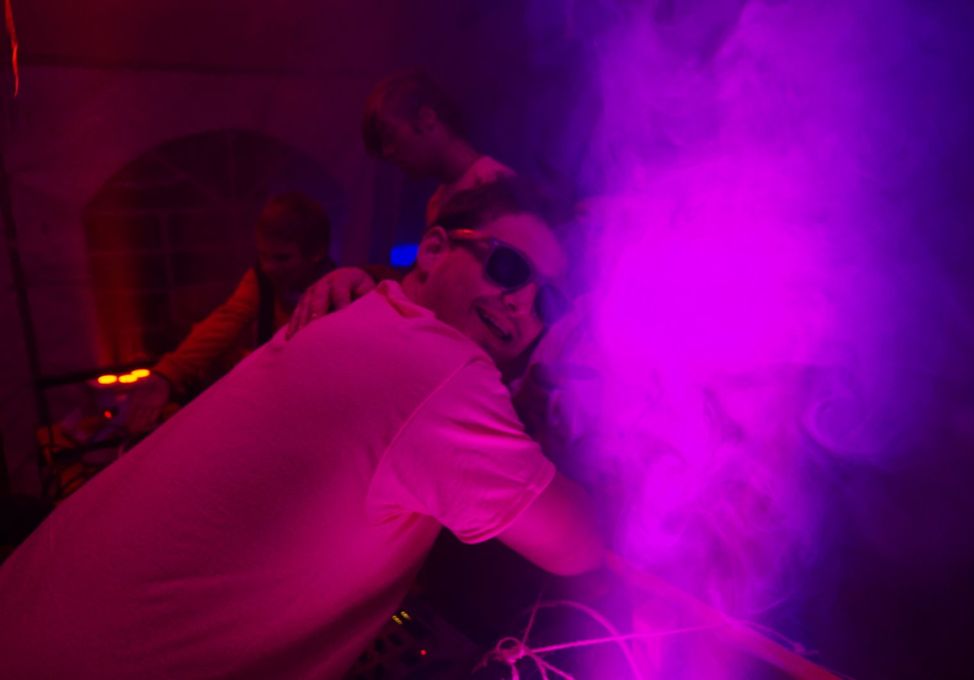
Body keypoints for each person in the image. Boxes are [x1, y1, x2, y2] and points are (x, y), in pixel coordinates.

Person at [0, 178, 604, 679]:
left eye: (547, 301)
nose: (522, 303)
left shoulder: (362, 311)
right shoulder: (444, 373)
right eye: (507, 267)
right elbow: (578, 544)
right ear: (433, 248)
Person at [120, 191, 334, 435]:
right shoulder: (261, 280)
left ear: (317, 253)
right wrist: (167, 374)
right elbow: (227, 319)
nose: (268, 267)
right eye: (262, 256)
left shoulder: (335, 291)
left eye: (281, 258)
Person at [362, 70, 514, 226]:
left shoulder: (500, 189)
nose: (387, 152)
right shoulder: (436, 204)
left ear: (426, 118)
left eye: (389, 136)